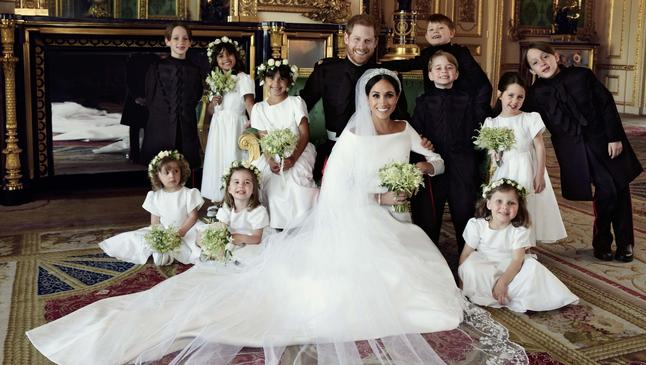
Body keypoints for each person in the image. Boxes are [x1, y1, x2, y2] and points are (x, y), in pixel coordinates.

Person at [26, 69, 527, 365]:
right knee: (376, 287)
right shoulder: (352, 138)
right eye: (376, 96)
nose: (383, 102)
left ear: (398, 98)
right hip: (362, 219)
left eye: (390, 95)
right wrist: (375, 200)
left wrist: (418, 169)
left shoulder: (404, 126)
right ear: (365, 99)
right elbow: (337, 188)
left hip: (398, 216)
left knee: (426, 280)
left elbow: (433, 159)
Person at [523, 42, 643, 262]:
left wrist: (614, 136)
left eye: (545, 57)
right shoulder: (535, 94)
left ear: (556, 56)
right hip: (574, 150)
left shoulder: (582, 76)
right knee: (608, 189)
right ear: (532, 71)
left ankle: (623, 243)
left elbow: (606, 103)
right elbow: (519, 115)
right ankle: (604, 240)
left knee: (619, 188)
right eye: (535, 62)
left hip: (604, 140)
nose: (542, 63)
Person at [300, 13, 410, 180]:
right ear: (346, 38)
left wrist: (420, 137)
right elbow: (301, 106)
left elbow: (401, 117)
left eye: (367, 40)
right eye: (357, 39)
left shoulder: (385, 75)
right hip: (336, 148)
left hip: (376, 149)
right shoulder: (325, 71)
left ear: (375, 42)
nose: (361, 46)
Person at [458, 178, 579, 312]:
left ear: (518, 207)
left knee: (532, 267)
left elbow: (517, 260)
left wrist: (503, 282)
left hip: (510, 269)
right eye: (499, 201)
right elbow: (466, 254)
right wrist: (462, 280)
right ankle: (488, 291)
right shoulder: (477, 225)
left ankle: (503, 291)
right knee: (470, 265)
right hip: (485, 267)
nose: (505, 207)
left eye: (511, 203)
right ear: (488, 204)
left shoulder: (519, 230)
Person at [482, 72, 566, 245]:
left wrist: (539, 175)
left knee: (527, 205)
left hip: (527, 167)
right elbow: (492, 152)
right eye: (510, 95)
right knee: (505, 205)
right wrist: (495, 153)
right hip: (505, 170)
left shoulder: (530, 118)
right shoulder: (492, 122)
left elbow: (540, 147)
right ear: (500, 94)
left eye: (520, 97)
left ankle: (526, 246)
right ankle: (507, 243)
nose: (515, 101)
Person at [410, 51, 481, 253]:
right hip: (435, 164)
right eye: (438, 68)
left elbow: (477, 129)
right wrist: (422, 139)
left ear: (457, 74)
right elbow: (416, 131)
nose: (444, 71)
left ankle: (467, 259)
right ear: (430, 74)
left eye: (449, 67)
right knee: (428, 215)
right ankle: (429, 258)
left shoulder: (467, 99)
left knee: (464, 212)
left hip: (462, 162)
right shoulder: (423, 101)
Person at [99, 150, 204, 265]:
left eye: (176, 171)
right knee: (138, 239)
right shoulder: (155, 196)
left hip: (187, 229)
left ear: (181, 172)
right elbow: (155, 221)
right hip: (166, 231)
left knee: (198, 242)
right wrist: (160, 236)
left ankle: (175, 253)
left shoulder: (188, 193)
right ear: (158, 175)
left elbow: (193, 217)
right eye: (167, 172)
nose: (172, 176)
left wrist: (181, 232)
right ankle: (166, 251)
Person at [381, 13, 492, 119]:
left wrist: (478, 108)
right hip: (435, 105)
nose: (435, 31)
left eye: (440, 28)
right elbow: (408, 64)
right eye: (431, 29)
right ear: (426, 36)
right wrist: (380, 65)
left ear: (452, 33)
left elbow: (480, 81)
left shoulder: (460, 52)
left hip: (461, 105)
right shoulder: (426, 54)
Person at [251, 58, 318, 229]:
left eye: (281, 78)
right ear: (264, 80)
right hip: (272, 153)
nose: (276, 83)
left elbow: (304, 134)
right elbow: (264, 139)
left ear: (289, 81)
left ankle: (301, 223)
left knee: (295, 183)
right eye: (271, 78)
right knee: (271, 185)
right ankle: (276, 224)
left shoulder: (296, 102)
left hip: (298, 150)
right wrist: (270, 160)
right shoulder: (259, 108)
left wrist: (293, 158)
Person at [140, 22, 204, 169]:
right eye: (176, 38)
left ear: (190, 43)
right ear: (167, 41)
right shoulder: (156, 67)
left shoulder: (195, 70)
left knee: (184, 169)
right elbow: (150, 98)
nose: (180, 42)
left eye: (185, 38)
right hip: (160, 127)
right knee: (160, 170)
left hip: (186, 127)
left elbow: (195, 97)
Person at [200, 36, 255, 205]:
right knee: (218, 160)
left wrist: (254, 126)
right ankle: (218, 200)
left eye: (229, 55)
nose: (226, 59)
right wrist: (212, 103)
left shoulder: (243, 78)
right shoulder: (214, 81)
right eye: (221, 56)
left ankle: (235, 200)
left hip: (235, 126)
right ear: (215, 60)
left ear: (236, 57)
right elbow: (210, 111)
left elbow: (249, 105)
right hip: (219, 126)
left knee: (233, 158)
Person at [213, 160, 270, 263]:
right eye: (236, 182)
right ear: (229, 189)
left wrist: (240, 238)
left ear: (253, 189)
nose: (241, 186)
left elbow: (257, 238)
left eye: (247, 182)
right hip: (234, 240)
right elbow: (222, 228)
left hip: (251, 242)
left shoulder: (258, 211)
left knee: (246, 257)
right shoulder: (228, 208)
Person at [120, 53, 158, 163]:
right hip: (134, 97)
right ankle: (135, 155)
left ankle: (147, 154)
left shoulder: (154, 58)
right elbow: (129, 79)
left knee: (148, 128)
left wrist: (151, 97)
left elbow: (156, 79)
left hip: (150, 97)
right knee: (134, 128)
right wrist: (136, 96)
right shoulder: (134, 58)